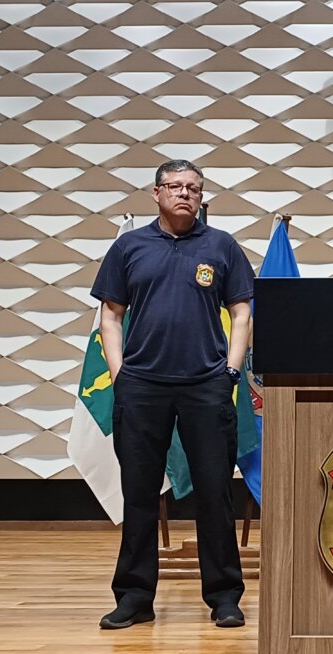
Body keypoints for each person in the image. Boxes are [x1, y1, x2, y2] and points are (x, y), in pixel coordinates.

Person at [91, 160, 254, 629]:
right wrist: (121, 375)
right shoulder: (129, 247)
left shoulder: (221, 246)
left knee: (215, 494)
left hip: (207, 384)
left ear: (202, 197)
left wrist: (231, 370)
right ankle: (134, 598)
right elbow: (111, 315)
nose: (185, 194)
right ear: (156, 192)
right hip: (142, 386)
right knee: (139, 494)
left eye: (194, 188)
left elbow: (242, 312)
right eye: (175, 186)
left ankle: (224, 596)